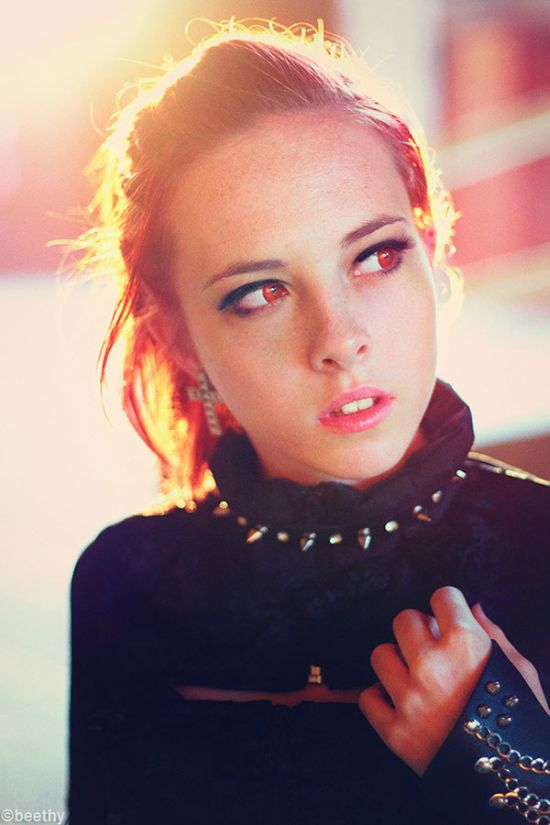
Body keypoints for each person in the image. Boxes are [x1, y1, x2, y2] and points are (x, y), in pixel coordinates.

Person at [66, 19, 550, 825]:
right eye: (261, 292)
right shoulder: (125, 580)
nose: (339, 339)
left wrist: (501, 752)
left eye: (376, 255)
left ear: (431, 248)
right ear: (178, 336)